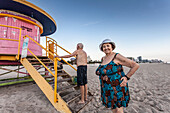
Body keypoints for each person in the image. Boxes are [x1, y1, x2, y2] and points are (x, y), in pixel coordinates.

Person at [96, 39, 139, 113]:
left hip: (117, 86)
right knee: (113, 107)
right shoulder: (103, 58)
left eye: (108, 46)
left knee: (118, 109)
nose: (106, 48)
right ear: (102, 49)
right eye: (104, 47)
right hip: (106, 87)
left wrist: (126, 77)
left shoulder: (116, 56)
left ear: (112, 47)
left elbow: (135, 65)